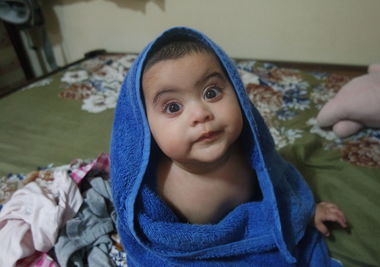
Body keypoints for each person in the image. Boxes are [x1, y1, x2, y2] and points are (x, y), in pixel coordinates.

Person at [110, 27, 347, 266]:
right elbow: (153, 242)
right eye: (173, 107)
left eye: (211, 93)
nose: (200, 114)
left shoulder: (252, 153)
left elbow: (281, 181)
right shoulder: (157, 190)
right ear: (145, 128)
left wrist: (304, 210)